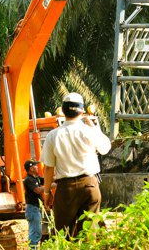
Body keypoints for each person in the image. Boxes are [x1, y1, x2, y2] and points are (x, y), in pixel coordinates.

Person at [41, 92, 111, 237]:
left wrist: (47, 193)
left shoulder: (53, 135)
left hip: (66, 189)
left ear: (63, 111)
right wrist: (95, 127)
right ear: (82, 111)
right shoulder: (89, 131)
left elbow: (48, 168)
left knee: (63, 235)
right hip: (90, 186)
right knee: (89, 235)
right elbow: (105, 148)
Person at [23, 160, 44, 249]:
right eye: (35, 166)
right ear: (31, 168)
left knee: (37, 232)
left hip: (36, 208)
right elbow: (38, 190)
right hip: (32, 209)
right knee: (35, 232)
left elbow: (47, 179)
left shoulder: (36, 178)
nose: (37, 167)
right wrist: (51, 186)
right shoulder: (28, 180)